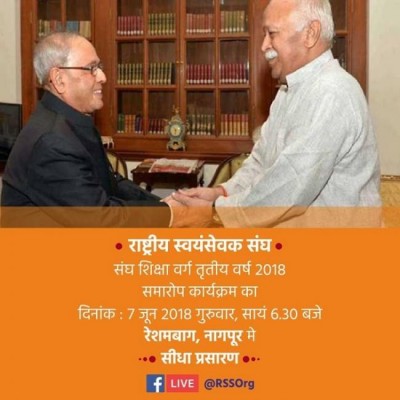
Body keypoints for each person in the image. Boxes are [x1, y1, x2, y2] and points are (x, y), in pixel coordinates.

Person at [167, 0, 381, 227]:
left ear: (310, 33)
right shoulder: (288, 92)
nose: (263, 46)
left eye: (272, 34)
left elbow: (290, 187)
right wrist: (221, 192)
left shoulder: (332, 92)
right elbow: (261, 162)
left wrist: (214, 211)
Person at [0, 31, 172, 227]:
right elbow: (101, 220)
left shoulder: (72, 123)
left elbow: (111, 182)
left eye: (99, 67)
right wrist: (172, 214)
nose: (103, 77)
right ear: (59, 79)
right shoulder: (52, 140)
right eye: (91, 68)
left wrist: (167, 204)